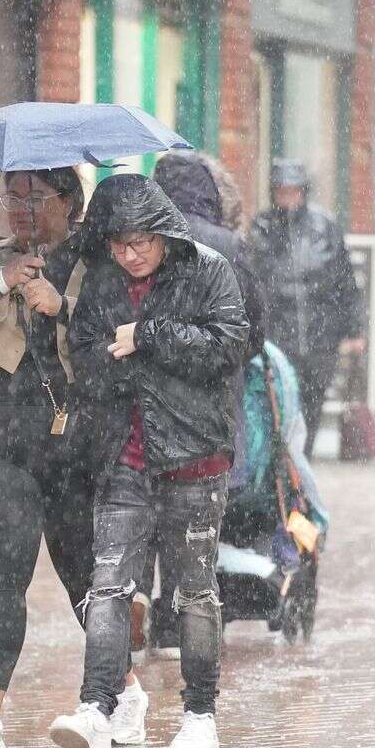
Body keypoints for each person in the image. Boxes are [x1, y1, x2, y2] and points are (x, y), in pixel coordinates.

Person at [0, 166, 148, 748]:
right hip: (0, 439)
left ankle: (126, 691)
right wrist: (0, 284)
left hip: (73, 439)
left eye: (35, 197)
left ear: (69, 202)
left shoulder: (97, 264)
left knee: (82, 574)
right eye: (12, 197)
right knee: (2, 574)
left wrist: (63, 306)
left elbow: (124, 336)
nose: (20, 209)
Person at [49, 173, 249, 748]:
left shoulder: (208, 269)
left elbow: (228, 345)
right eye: (118, 244)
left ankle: (199, 713)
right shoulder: (104, 283)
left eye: (140, 242)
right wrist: (122, 360)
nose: (130, 255)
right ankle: (96, 707)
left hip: (194, 458)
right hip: (124, 458)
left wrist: (150, 336)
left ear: (164, 234)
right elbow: (86, 359)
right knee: (108, 584)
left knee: (194, 592)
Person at [142, 151, 268, 655]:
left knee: (144, 506)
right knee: (193, 514)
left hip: (146, 399)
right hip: (210, 403)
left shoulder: (137, 241)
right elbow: (255, 327)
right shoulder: (230, 247)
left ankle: (138, 599)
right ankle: (179, 621)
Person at [246, 158, 364, 456]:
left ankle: (304, 458)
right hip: (278, 334)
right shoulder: (261, 229)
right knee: (280, 402)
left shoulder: (324, 227)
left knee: (313, 402)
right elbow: (253, 282)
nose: (288, 198)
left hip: (321, 333)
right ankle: (285, 464)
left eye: (294, 191)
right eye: (282, 192)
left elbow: (345, 282)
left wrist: (354, 329)